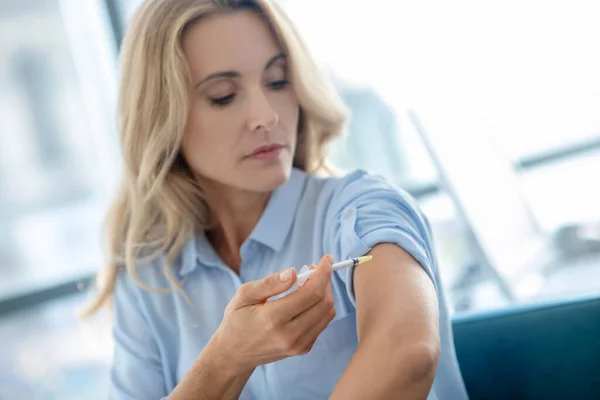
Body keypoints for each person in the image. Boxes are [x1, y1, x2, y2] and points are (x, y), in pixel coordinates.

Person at [85, 0, 469, 398]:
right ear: (163, 116)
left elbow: (408, 354)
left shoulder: (364, 209)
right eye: (223, 95)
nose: (266, 116)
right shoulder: (148, 277)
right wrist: (227, 357)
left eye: (278, 80)